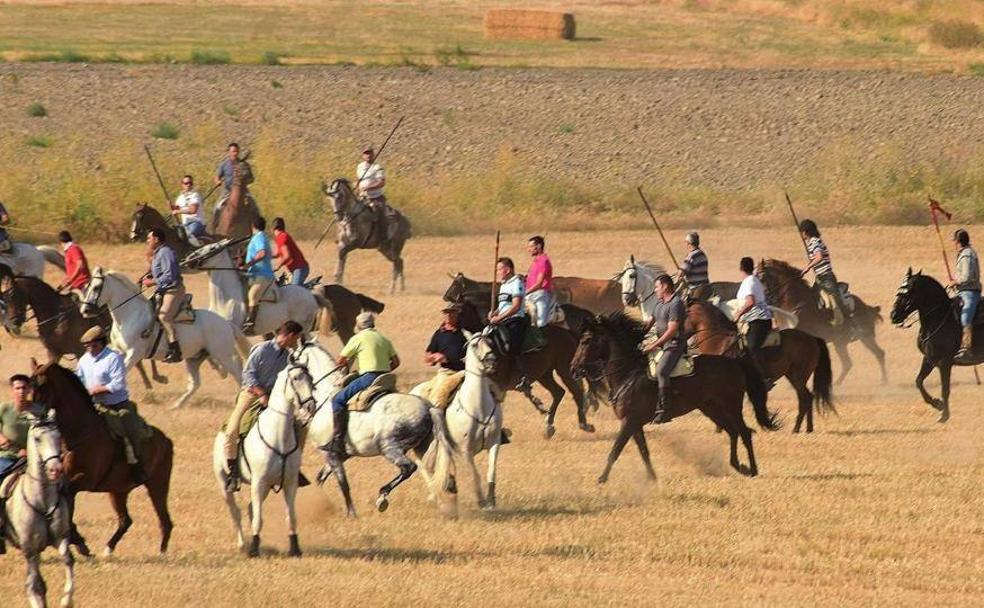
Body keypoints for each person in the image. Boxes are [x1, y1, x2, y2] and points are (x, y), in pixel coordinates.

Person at [223, 321, 304, 492]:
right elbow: (248, 374)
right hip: (251, 393)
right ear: (289, 336)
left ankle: (294, 468)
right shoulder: (262, 349)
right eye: (296, 338)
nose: (296, 342)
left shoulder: (289, 355)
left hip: (275, 397)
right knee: (232, 430)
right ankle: (233, 473)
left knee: (298, 426)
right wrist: (261, 394)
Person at [76, 326, 148, 484]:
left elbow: (118, 384)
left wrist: (95, 390)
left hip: (117, 405)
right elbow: (78, 379)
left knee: (130, 428)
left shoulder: (113, 358)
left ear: (102, 343)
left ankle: (136, 463)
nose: (89, 349)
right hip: (93, 405)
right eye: (87, 346)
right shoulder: (84, 360)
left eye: (93, 345)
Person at [331, 313, 400, 459]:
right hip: (386, 377)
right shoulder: (384, 339)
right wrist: (383, 368)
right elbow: (395, 362)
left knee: (337, 400)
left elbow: (341, 360)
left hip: (368, 377)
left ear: (359, 325)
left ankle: (337, 440)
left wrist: (343, 365)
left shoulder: (357, 338)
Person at [0, 374, 45, 554]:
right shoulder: (4, 409)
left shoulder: (39, 411)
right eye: (18, 388)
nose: (21, 391)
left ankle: (65, 529)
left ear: (30, 390)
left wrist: (32, 451)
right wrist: (6, 442)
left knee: (62, 486)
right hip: (7, 458)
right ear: (12, 390)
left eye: (24, 388)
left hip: (34, 460)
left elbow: (46, 432)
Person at [641, 274, 686, 424]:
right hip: (661, 344)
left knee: (661, 370)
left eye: (657, 287)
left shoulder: (676, 303)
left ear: (665, 286)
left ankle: (666, 410)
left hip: (674, 345)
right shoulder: (659, 304)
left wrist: (653, 345)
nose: (655, 290)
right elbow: (648, 324)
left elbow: (672, 330)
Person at [799, 219, 855, 331]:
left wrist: (808, 267)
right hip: (820, 278)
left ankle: (851, 324)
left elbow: (819, 256)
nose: (801, 234)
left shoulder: (815, 241)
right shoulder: (811, 243)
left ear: (805, 232)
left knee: (836, 299)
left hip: (827, 277)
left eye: (802, 232)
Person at [142, 227, 185, 363]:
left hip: (174, 290)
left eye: (149, 238)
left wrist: (152, 281)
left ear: (156, 239)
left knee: (164, 316)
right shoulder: (158, 253)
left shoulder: (165, 252)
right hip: (163, 290)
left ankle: (175, 350)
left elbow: (170, 275)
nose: (147, 241)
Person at [488, 257, 530, 392]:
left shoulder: (516, 283)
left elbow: (516, 306)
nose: (498, 272)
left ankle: (522, 377)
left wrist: (500, 318)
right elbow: (503, 305)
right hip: (502, 319)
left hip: (515, 320)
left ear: (507, 269)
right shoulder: (504, 284)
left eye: (499, 269)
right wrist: (494, 313)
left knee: (511, 346)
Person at [734, 256, 775, 387]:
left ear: (741, 269)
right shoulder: (752, 280)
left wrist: (739, 313)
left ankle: (765, 378)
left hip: (758, 320)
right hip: (753, 319)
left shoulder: (749, 282)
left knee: (752, 348)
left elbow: (750, 302)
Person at [423, 304, 468, 409]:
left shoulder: (464, 333)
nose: (448, 315)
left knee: (441, 392)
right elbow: (427, 357)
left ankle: (437, 419)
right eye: (446, 312)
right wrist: (433, 357)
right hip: (445, 372)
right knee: (426, 392)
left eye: (452, 312)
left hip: (462, 372)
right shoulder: (439, 334)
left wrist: (446, 358)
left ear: (457, 314)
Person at [949, 229, 980, 363]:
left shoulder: (967, 255)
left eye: (954, 241)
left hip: (970, 293)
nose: (953, 244)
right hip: (962, 292)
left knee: (966, 317)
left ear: (958, 241)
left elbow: (967, 276)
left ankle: (967, 349)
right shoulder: (964, 253)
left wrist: (956, 281)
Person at [242, 216, 275, 333]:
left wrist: (249, 263)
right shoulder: (258, 237)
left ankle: (250, 323)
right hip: (255, 274)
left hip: (263, 274)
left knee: (252, 295)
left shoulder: (259, 236)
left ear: (252, 226)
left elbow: (262, 253)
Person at [355, 146, 389, 242]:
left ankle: (383, 238)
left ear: (373, 155)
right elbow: (358, 179)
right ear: (363, 155)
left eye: (370, 153)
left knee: (379, 215)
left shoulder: (378, 168)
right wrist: (357, 187)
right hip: (362, 197)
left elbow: (381, 183)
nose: (368, 155)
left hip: (376, 198)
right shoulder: (360, 166)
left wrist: (368, 187)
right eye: (366, 153)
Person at [525, 235, 555, 328]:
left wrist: (525, 292)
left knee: (540, 324)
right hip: (530, 295)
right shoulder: (536, 261)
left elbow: (539, 283)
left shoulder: (543, 261)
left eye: (531, 247)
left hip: (540, 295)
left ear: (538, 247)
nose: (528, 249)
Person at [272, 217, 310, 286]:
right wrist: (266, 256)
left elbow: (287, 256)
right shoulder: (282, 236)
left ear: (273, 228)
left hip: (299, 268)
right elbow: (278, 254)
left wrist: (278, 266)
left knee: (294, 290)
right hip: (297, 269)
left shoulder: (281, 237)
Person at [171, 174, 205, 245]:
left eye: (190, 183)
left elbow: (193, 210)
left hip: (196, 223)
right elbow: (175, 209)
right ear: (182, 185)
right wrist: (171, 206)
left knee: (188, 235)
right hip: (185, 225)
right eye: (186, 183)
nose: (188, 185)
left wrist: (177, 211)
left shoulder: (195, 195)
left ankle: (197, 248)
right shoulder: (180, 198)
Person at [55, 230, 92, 294]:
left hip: (82, 284)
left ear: (61, 242)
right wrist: (64, 282)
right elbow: (72, 270)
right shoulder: (69, 250)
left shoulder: (73, 249)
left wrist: (71, 279)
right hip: (75, 284)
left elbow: (80, 265)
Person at [678, 231, 709, 299]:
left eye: (685, 242)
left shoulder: (691, 256)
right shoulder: (702, 254)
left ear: (689, 243)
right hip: (706, 286)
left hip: (695, 288)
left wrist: (680, 272)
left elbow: (681, 273)